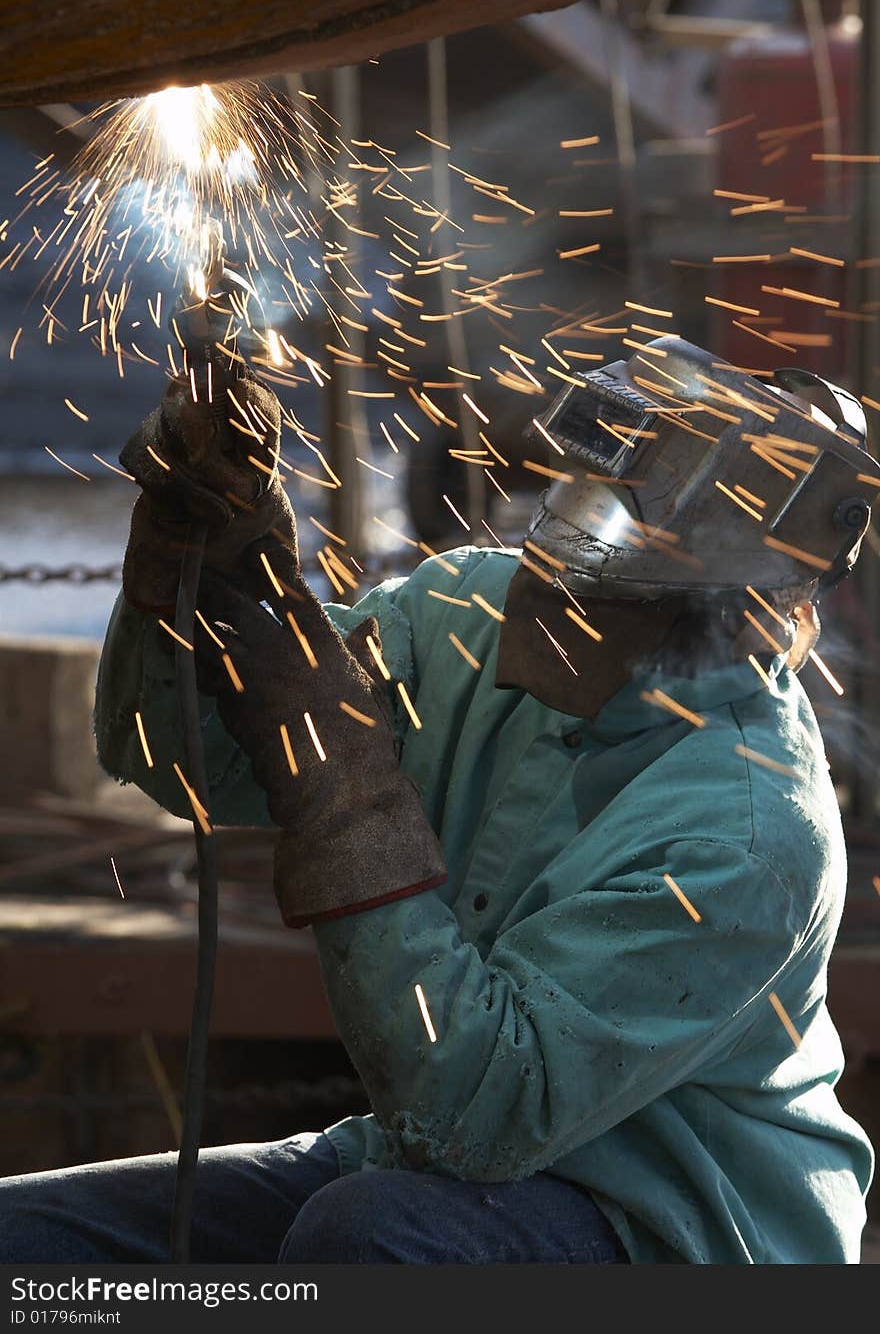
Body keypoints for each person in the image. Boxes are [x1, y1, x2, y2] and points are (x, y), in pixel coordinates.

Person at [0, 337, 874, 1264]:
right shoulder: (470, 610)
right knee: (28, 1242)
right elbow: (171, 751)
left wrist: (347, 793)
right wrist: (218, 572)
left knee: (369, 1237)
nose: (544, 585)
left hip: (671, 1226)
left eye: (608, 562)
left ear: (723, 618)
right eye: (569, 518)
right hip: (429, 1171)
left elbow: (479, 1115)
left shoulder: (750, 833)